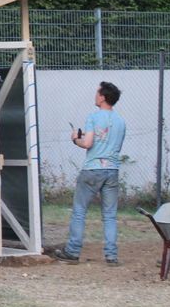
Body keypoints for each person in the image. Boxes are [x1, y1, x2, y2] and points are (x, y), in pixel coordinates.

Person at [52, 82, 126, 265]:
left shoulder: (93, 117)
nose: (95, 96)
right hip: (113, 169)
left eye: (97, 93)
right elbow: (108, 140)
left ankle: (73, 251)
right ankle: (111, 255)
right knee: (109, 215)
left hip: (93, 169)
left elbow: (88, 144)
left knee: (79, 211)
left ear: (102, 97)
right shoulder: (121, 121)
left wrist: (76, 139)